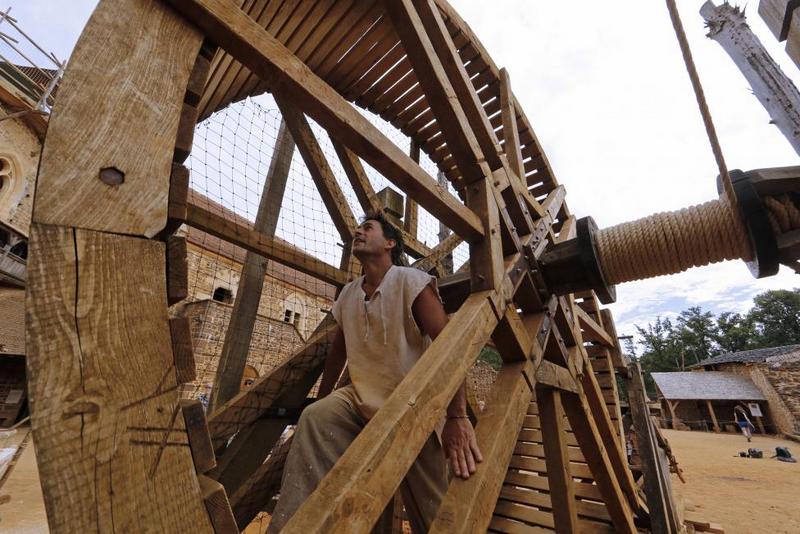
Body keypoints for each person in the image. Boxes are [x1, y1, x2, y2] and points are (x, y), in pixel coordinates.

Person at [267, 212, 482, 533]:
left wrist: (457, 417)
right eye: (357, 227)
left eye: (368, 228)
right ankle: (297, 527)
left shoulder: (410, 282)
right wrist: (322, 398)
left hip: (414, 407)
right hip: (360, 402)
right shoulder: (349, 294)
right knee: (316, 418)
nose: (357, 231)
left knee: (433, 509)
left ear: (390, 243)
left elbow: (450, 346)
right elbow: (337, 351)